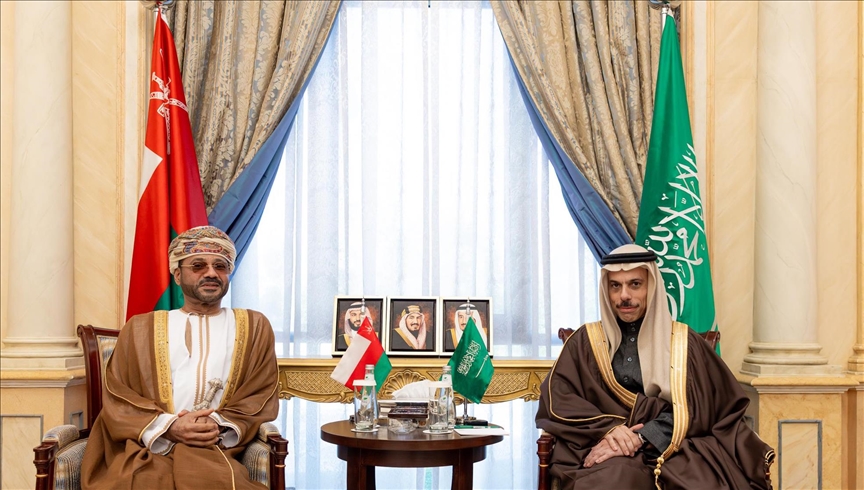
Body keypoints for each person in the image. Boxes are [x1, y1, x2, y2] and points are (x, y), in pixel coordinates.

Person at [536, 244, 774, 490]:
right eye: (615, 286)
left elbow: (704, 408)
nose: (624, 295)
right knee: (611, 480)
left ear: (652, 287)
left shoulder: (684, 343)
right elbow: (559, 399)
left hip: (673, 444)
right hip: (603, 443)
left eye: (635, 284)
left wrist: (643, 436)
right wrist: (610, 430)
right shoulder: (584, 341)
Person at [81, 226, 279, 490]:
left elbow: (260, 392)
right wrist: (170, 426)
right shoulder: (140, 328)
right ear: (177, 275)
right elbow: (118, 395)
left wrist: (215, 424)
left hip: (218, 447)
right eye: (198, 265)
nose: (211, 273)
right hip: (151, 445)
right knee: (142, 480)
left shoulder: (254, 326)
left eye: (220, 266)